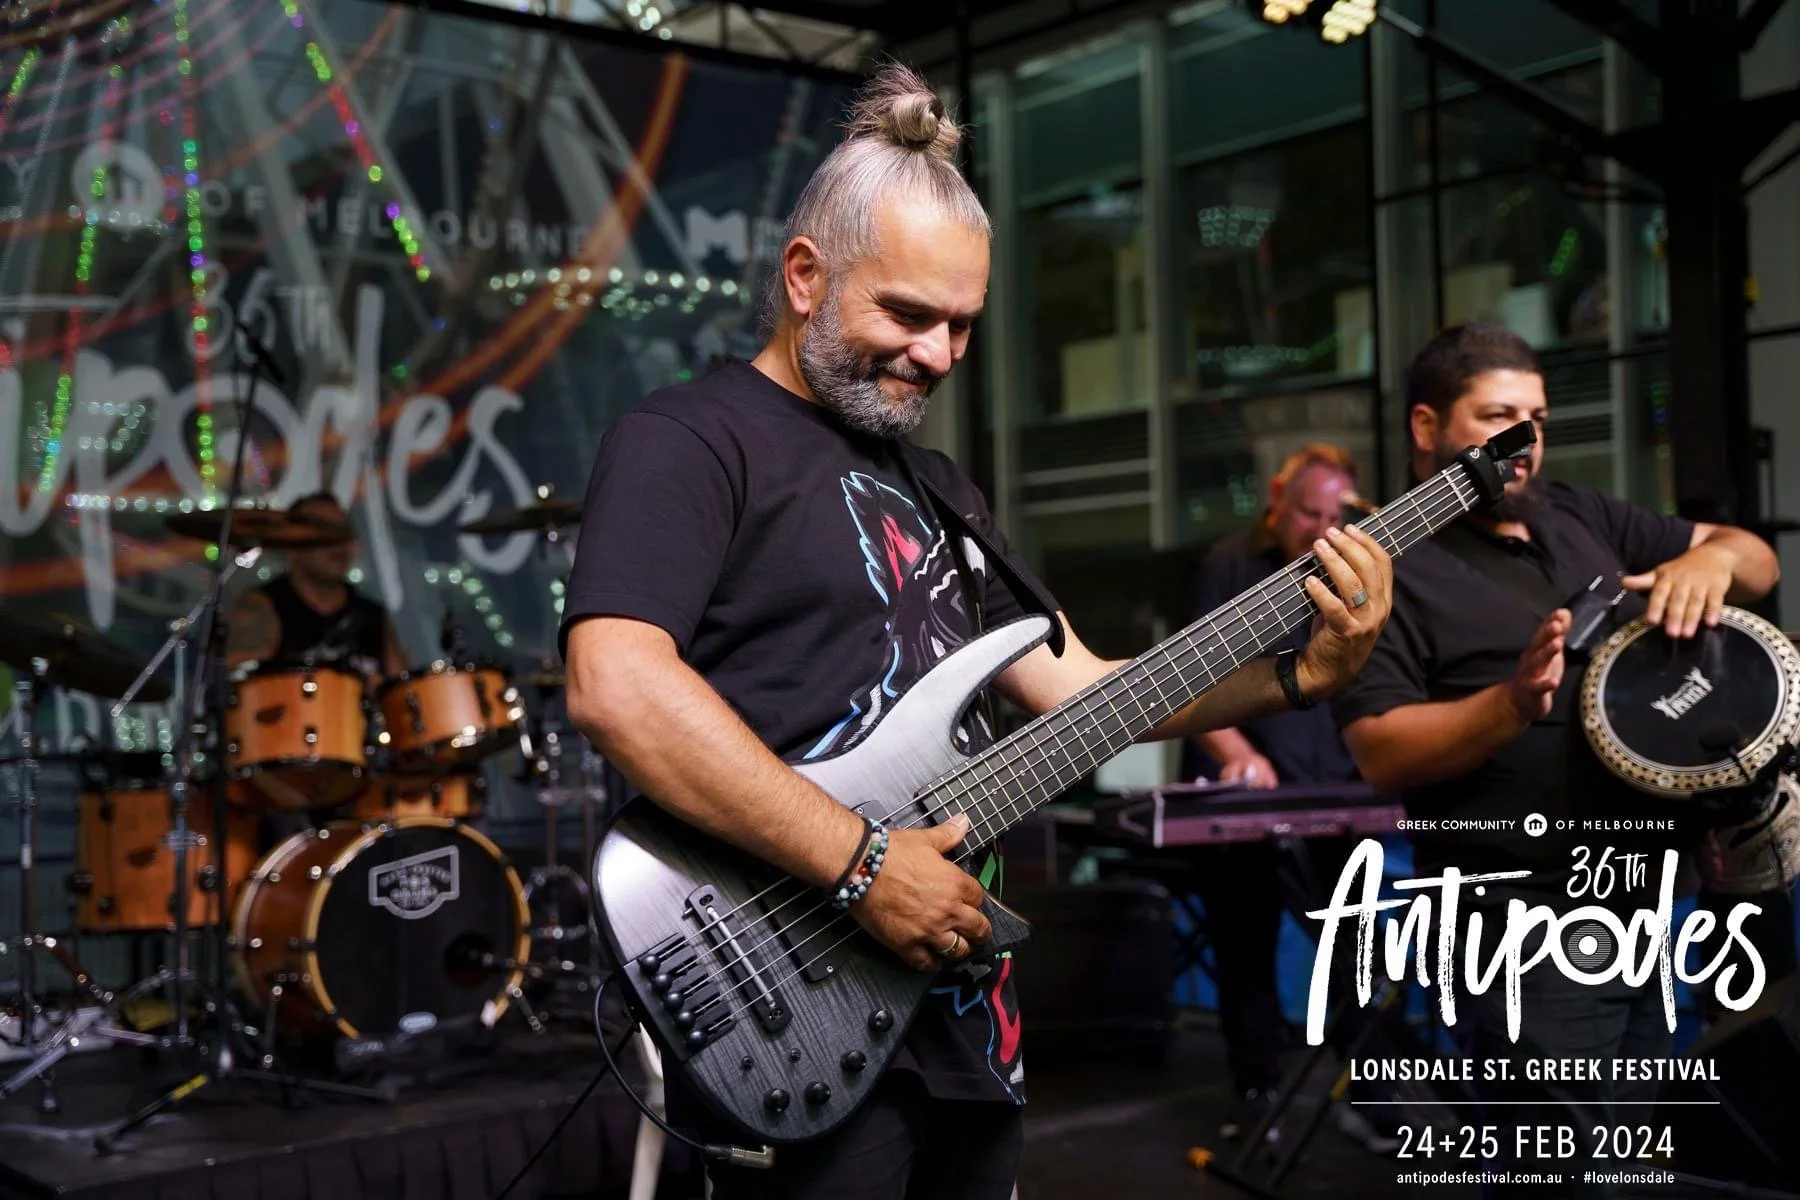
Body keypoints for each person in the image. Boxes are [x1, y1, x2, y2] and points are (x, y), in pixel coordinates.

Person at [559, 63, 1395, 1200]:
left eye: (960, 325)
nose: (939, 356)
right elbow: (617, 685)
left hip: (960, 1016)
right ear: (805, 276)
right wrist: (861, 868)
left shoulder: (940, 485)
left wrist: (1301, 673)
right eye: (905, 314)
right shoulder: (691, 440)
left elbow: (1094, 692)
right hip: (792, 996)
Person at [1331, 323, 1780, 1195]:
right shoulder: (1379, 566)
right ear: (1427, 428)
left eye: (1535, 417)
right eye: (1497, 417)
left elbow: (1756, 556)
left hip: (1649, 912)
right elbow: (1381, 750)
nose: (1523, 441)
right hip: (1519, 928)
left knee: (1637, 1164)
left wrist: (1713, 563)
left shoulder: (1580, 515)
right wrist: (1508, 706)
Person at [1180, 444, 1398, 1153]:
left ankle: (1370, 1097)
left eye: (1335, 515)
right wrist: (1239, 754)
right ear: (1277, 498)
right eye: (1310, 512)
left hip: (1335, 787)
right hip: (1246, 795)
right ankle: (1258, 1094)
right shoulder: (1227, 567)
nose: (1321, 528)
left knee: (1357, 947)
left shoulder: (1355, 571)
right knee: (1245, 947)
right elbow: (1188, 678)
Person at [224, 490, 405, 677]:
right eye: (323, 531)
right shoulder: (261, 606)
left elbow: (402, 692)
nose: (338, 542)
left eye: (343, 531)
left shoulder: (371, 615)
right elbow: (240, 683)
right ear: (292, 547)